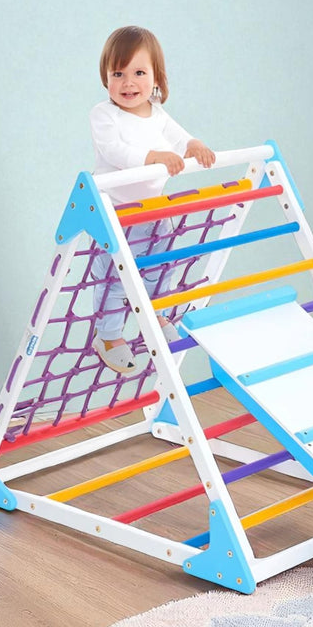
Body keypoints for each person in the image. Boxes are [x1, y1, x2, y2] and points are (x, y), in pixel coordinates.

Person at [89, 25, 215, 373]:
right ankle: (108, 336)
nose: (128, 83)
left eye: (139, 73)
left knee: (162, 267)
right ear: (106, 77)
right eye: (118, 74)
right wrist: (154, 157)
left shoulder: (157, 113)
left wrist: (194, 145)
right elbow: (114, 151)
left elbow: (180, 138)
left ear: (156, 77)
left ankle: (155, 316)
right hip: (114, 215)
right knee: (115, 278)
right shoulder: (104, 114)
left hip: (155, 212)